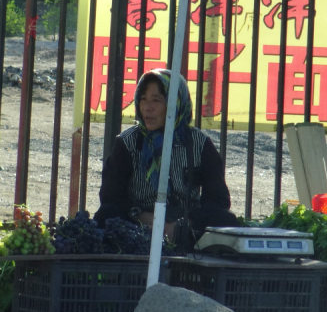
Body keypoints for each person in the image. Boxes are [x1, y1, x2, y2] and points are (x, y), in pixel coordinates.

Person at [94, 68, 237, 248]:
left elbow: (218, 199)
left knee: (226, 220)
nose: (148, 107)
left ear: (176, 104)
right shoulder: (128, 142)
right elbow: (110, 196)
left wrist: (182, 224)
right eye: (143, 99)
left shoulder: (199, 144)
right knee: (105, 216)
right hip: (138, 224)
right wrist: (142, 217)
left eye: (156, 100)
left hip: (186, 226)